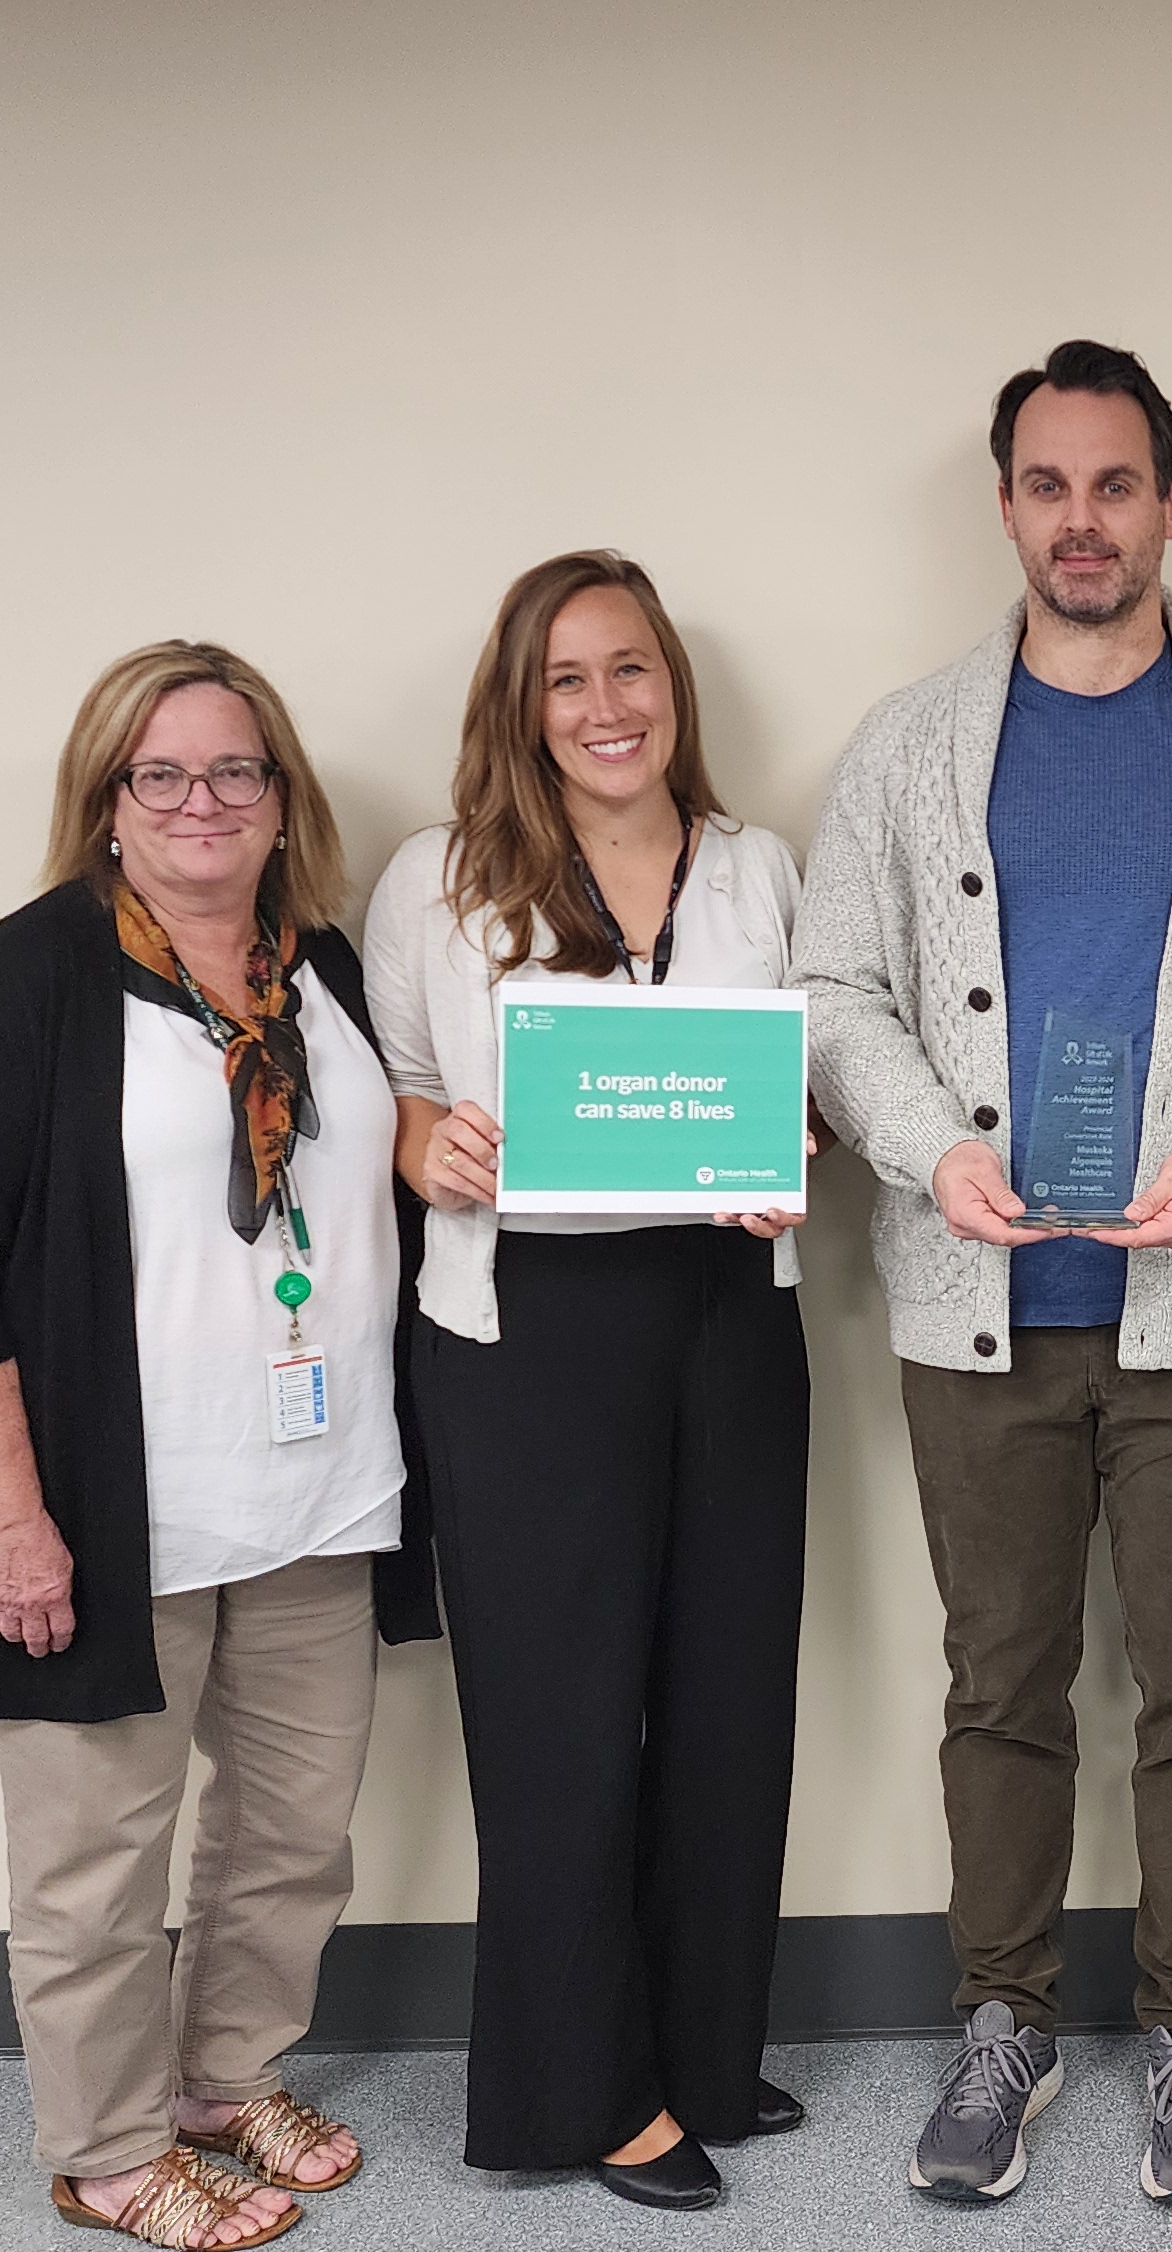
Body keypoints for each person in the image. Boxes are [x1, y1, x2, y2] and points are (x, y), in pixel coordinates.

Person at [793, 339, 1172, 2210]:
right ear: (1006, 507)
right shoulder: (907, 746)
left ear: (1171, 505)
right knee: (1003, 1687)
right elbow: (835, 992)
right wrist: (932, 1149)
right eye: (1048, 485)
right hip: (978, 1310)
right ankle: (1004, 2022)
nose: (1083, 519)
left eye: (1115, 484)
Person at [0, 642, 431, 2250]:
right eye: (162, 773)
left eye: (236, 770)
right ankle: (109, 2150)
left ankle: (222, 2081)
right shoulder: (26, 980)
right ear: (108, 799)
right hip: (113, 1513)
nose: (203, 801)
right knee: (96, 1866)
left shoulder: (322, 966)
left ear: (282, 797)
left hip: (319, 1490)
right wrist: (11, 1521)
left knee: (291, 1839)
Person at [362, 551, 813, 2213]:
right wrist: (433, 1152)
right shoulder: (440, 879)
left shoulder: (757, 867)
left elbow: (805, 1088)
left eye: (632, 669)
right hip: (526, 1333)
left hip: (730, 1316)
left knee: (725, 1697)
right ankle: (583, 2091)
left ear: (672, 685)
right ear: (521, 705)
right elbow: (398, 1094)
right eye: (568, 678)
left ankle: (700, 2052)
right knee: (559, 1720)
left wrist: (794, 1150)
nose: (607, 706)